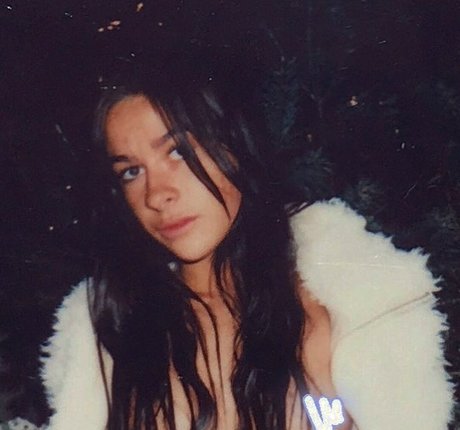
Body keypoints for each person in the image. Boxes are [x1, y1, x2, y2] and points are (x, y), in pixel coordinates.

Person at [38, 57, 453, 430]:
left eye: (178, 151)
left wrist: (325, 405)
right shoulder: (113, 333)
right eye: (131, 172)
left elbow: (342, 420)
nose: (157, 194)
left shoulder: (335, 309)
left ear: (235, 144)